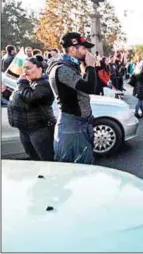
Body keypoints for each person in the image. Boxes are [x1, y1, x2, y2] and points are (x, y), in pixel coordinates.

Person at [47, 32, 97, 164]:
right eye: (84, 48)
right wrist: (90, 66)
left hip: (77, 125)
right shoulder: (62, 69)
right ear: (73, 49)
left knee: (83, 168)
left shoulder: (70, 66)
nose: (87, 51)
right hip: (72, 128)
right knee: (78, 172)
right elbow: (89, 88)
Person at [7, 56, 56, 161]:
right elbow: (19, 98)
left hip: (39, 130)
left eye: (28, 68)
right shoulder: (29, 82)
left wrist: (22, 83)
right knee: (34, 158)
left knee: (46, 159)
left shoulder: (45, 83)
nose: (25, 71)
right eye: (23, 68)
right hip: (25, 129)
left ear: (39, 68)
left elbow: (31, 98)